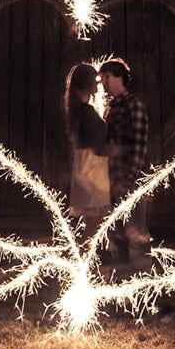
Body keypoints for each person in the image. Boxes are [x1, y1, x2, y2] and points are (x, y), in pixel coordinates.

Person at [100, 57, 151, 267]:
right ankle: (122, 274)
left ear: (120, 77)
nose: (102, 82)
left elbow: (139, 144)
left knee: (135, 228)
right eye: (101, 77)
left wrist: (129, 178)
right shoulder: (110, 107)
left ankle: (141, 273)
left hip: (129, 178)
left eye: (106, 76)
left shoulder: (133, 105)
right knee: (116, 229)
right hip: (111, 178)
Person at [64, 63, 110, 234]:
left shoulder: (77, 110)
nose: (99, 86)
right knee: (93, 225)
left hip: (86, 167)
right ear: (87, 83)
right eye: (96, 82)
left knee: (92, 223)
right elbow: (99, 143)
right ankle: (84, 257)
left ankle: (84, 256)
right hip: (93, 169)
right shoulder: (86, 112)